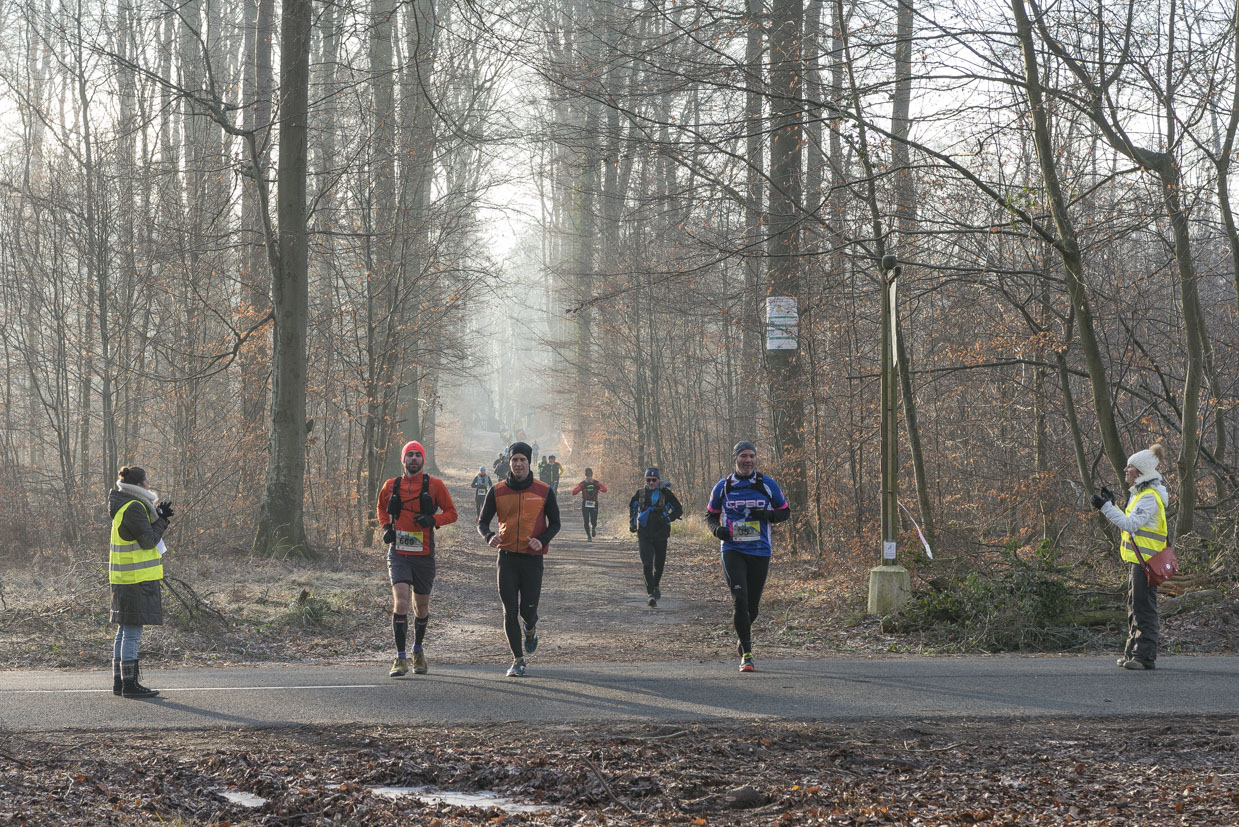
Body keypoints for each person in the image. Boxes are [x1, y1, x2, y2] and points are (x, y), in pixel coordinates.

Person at [477, 441, 561, 677]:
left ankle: (531, 628)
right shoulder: (498, 490)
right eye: (515, 460)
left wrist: (542, 540)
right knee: (509, 610)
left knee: (528, 611)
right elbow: (483, 522)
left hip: (532, 560)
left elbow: (555, 523)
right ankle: (517, 659)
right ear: (509, 462)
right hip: (506, 559)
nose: (518, 464)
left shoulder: (544, 491)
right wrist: (489, 536)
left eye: (522, 460)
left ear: (529, 462)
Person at [706, 441, 790, 672]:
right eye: (743, 456)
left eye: (752, 456)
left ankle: (742, 637)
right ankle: (748, 654)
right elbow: (710, 516)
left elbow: (785, 512)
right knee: (739, 599)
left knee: (752, 608)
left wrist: (767, 514)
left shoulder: (766, 484)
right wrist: (717, 530)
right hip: (732, 549)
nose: (748, 460)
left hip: (760, 550)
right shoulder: (723, 486)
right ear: (735, 458)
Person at [377, 440, 458, 677]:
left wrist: (433, 520)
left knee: (420, 607)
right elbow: (381, 508)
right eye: (409, 455)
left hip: (424, 554)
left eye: (417, 455)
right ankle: (400, 657)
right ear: (403, 460)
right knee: (401, 601)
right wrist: (385, 528)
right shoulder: (391, 485)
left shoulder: (435, 485)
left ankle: (418, 650)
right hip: (399, 553)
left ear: (423, 460)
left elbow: (452, 513)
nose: (413, 458)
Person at [1092, 443, 1170, 671]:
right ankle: (1131, 652)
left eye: (1130, 467)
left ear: (1142, 472)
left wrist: (1106, 507)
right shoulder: (1140, 495)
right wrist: (1113, 504)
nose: (1126, 470)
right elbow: (1131, 522)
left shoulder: (1148, 497)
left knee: (1143, 608)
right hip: (1139, 560)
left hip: (1146, 562)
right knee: (1134, 606)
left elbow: (1130, 524)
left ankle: (1144, 657)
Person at [108, 465, 173, 698]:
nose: (149, 484)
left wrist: (157, 515)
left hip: (123, 577)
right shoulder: (135, 507)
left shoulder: (126, 504)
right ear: (138, 485)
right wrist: (162, 520)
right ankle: (130, 685)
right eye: (146, 481)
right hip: (135, 579)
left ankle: (120, 682)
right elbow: (148, 540)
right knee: (132, 632)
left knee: (124, 630)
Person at [628, 467, 683, 607]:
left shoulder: (666, 494)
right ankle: (650, 594)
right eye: (648, 480)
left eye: (654, 480)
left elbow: (679, 509)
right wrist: (632, 524)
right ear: (645, 480)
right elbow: (633, 508)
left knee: (659, 565)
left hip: (661, 533)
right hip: (644, 534)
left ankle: (656, 584)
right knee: (647, 564)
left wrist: (668, 517)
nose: (651, 482)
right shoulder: (639, 494)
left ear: (659, 481)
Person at [571, 469, 608, 541]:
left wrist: (599, 488)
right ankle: (588, 536)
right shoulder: (582, 484)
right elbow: (573, 492)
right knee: (586, 520)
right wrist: (580, 488)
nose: (589, 478)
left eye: (590, 476)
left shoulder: (596, 483)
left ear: (592, 475)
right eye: (588, 476)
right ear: (586, 476)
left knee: (594, 520)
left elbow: (605, 490)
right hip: (585, 503)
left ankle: (593, 527)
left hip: (594, 503)